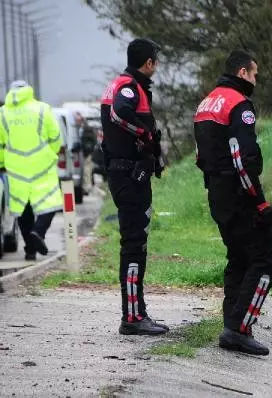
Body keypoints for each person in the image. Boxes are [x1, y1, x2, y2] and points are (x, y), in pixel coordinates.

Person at [193, 50, 272, 356]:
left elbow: (201, 157)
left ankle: (232, 324)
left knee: (239, 258)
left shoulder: (206, 104)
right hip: (239, 193)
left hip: (216, 193)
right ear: (243, 73)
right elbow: (244, 158)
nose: (255, 80)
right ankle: (239, 328)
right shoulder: (239, 104)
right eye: (254, 75)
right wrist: (258, 201)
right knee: (265, 261)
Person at [100, 38, 167, 336]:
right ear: (149, 63)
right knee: (134, 246)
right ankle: (133, 317)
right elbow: (119, 113)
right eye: (156, 61)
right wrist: (145, 135)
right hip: (129, 177)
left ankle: (136, 312)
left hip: (127, 174)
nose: (157, 66)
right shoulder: (128, 86)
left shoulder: (122, 83)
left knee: (135, 244)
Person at [0, 80, 63, 261]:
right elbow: (55, 136)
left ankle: (30, 249)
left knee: (23, 209)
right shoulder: (42, 109)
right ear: (29, 90)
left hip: (16, 169)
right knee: (50, 203)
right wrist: (51, 153)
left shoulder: (3, 113)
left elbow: (1, 143)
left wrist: (3, 163)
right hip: (42, 166)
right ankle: (39, 232)